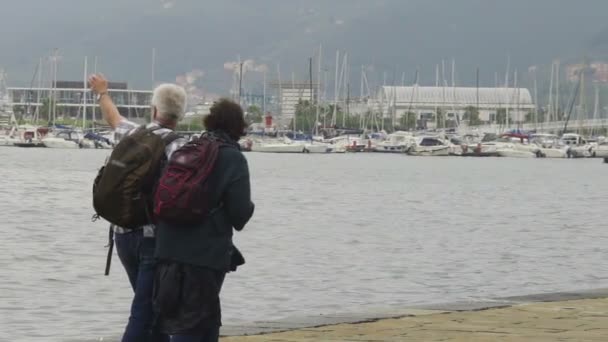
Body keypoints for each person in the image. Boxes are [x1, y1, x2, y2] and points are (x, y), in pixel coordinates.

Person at [89, 73, 188, 342]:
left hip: (121, 233)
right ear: (180, 114)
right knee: (145, 311)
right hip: (154, 239)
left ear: (154, 109)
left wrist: (102, 92)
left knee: (152, 309)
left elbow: (113, 118)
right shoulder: (181, 146)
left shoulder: (132, 133)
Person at [154, 99, 254, 342]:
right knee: (192, 325)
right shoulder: (232, 158)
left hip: (167, 247)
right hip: (203, 255)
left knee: (200, 320)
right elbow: (239, 215)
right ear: (238, 127)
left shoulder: (187, 149)